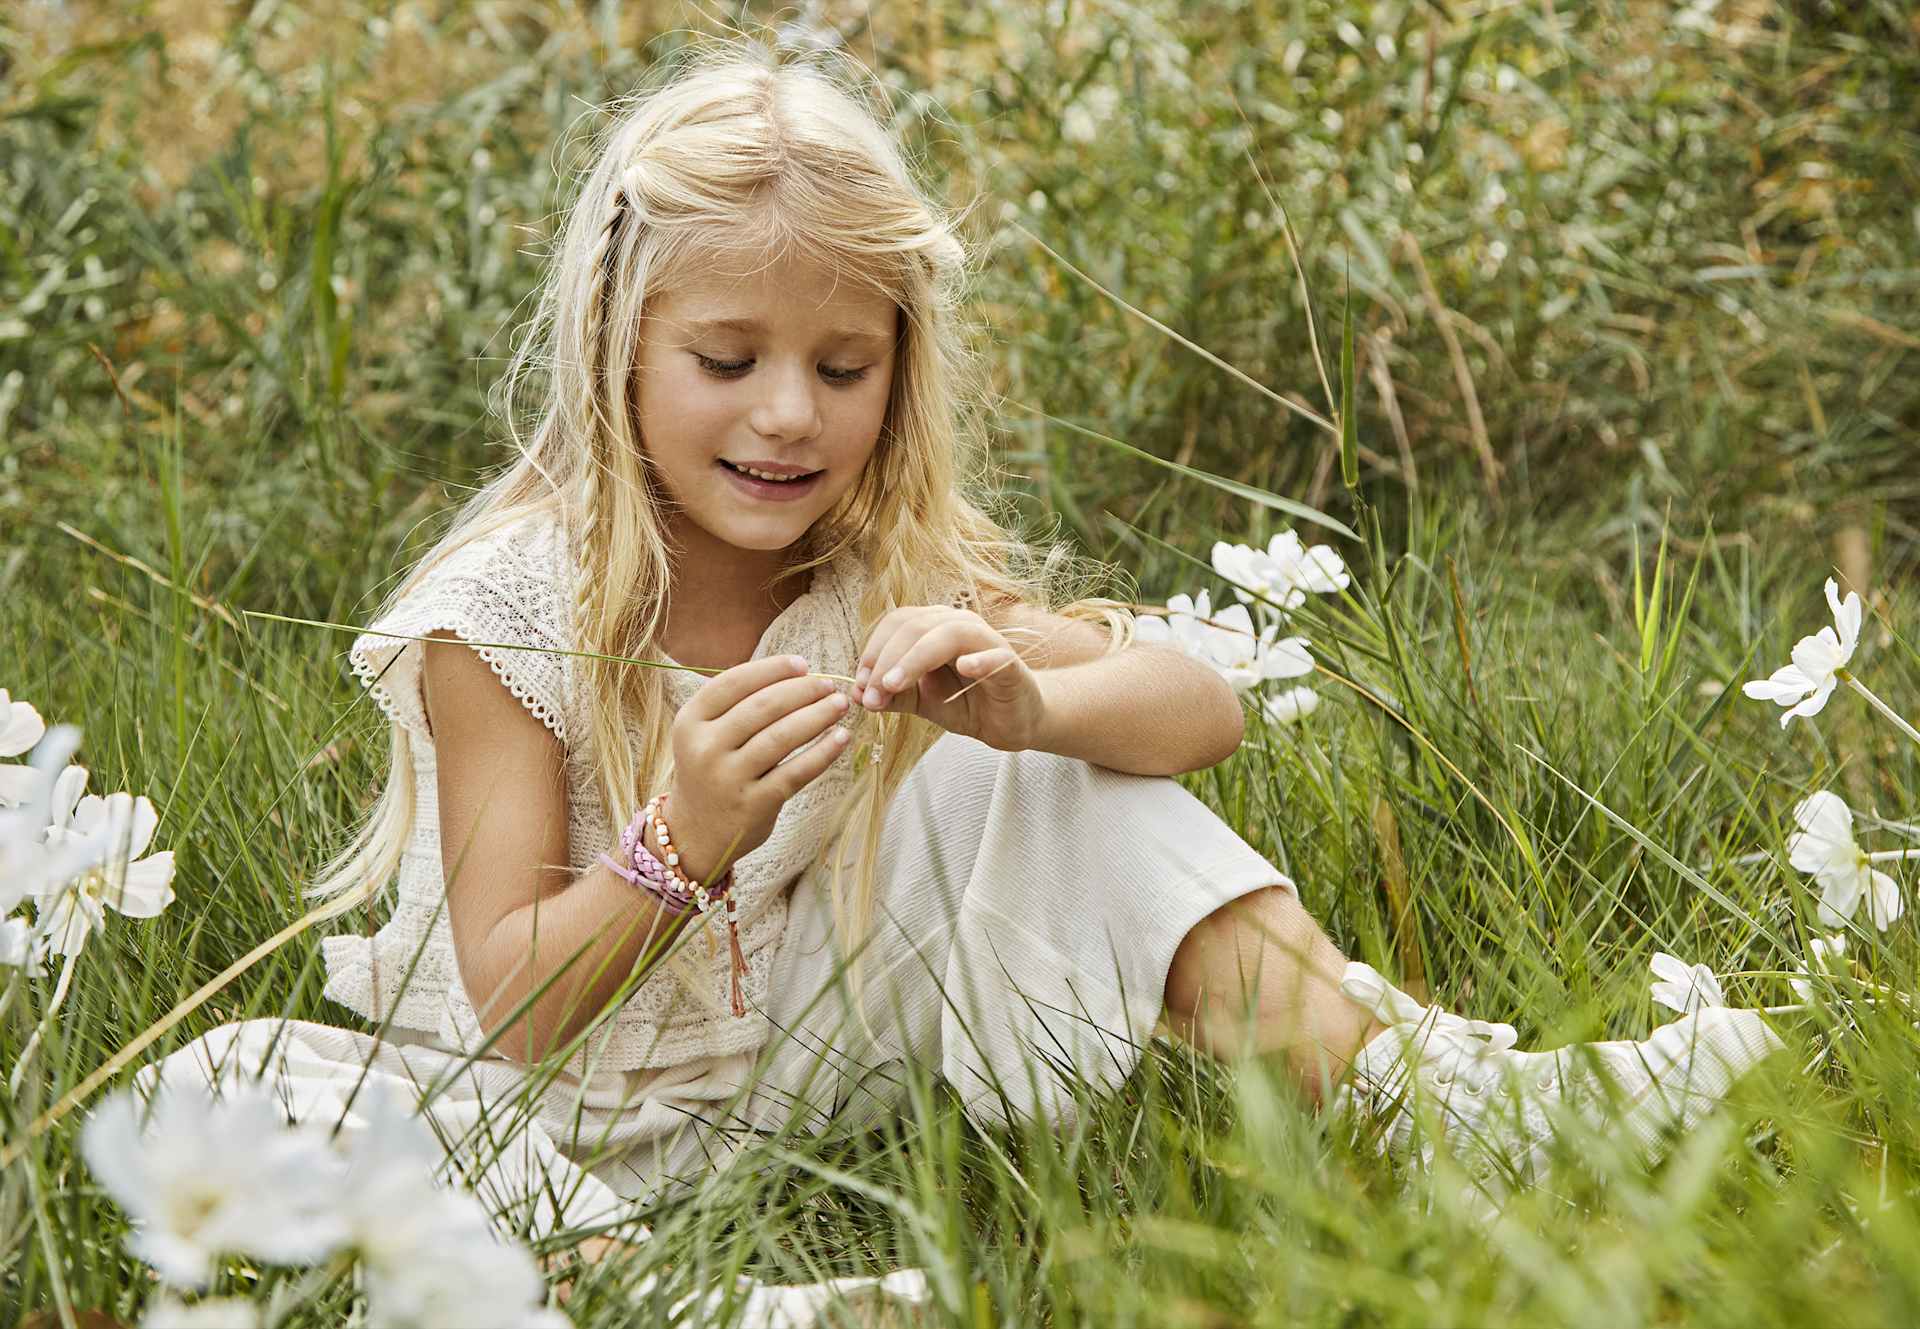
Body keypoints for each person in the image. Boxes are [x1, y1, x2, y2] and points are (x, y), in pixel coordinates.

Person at [140, 39, 1781, 1314]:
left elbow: (1200, 708)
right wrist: (676, 834)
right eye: (727, 362)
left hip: (802, 1054)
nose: (786, 414)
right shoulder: (501, 618)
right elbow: (512, 1004)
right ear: (615, 347)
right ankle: (702, 1294)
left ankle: (1453, 1105)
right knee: (248, 1082)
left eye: (841, 367)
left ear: (897, 375)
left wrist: (1025, 703)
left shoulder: (864, 571)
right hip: (545, 1102)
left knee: (1045, 780)